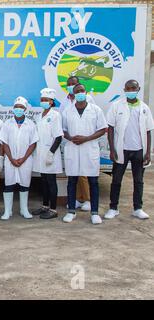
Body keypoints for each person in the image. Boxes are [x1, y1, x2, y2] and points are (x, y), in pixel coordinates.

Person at [105, 80, 154, 220]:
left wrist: (147, 152)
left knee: (138, 180)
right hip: (122, 150)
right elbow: (111, 128)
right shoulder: (117, 106)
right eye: (128, 88)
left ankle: (138, 208)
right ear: (124, 89)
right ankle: (113, 208)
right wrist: (112, 149)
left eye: (133, 88)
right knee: (116, 180)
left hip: (139, 150)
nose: (131, 90)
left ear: (138, 89)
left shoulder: (144, 107)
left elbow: (149, 131)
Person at [62, 84, 107, 224]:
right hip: (73, 148)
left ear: (86, 92)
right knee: (72, 181)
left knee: (93, 181)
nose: (79, 93)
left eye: (81, 91)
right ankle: (71, 212)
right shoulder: (67, 111)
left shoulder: (95, 110)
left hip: (89, 149)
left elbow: (103, 129)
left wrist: (86, 138)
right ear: (73, 94)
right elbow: (63, 130)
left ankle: (94, 213)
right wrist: (71, 138)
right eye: (77, 92)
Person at [59, 76, 96, 212]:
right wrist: (69, 137)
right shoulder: (64, 101)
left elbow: (92, 120)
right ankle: (75, 199)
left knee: (84, 173)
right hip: (70, 141)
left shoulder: (88, 99)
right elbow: (62, 122)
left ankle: (87, 199)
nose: (71, 86)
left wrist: (84, 138)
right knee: (72, 173)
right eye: (69, 84)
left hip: (85, 141)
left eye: (73, 84)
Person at [0, 97, 38, 220]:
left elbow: (33, 143)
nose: (18, 109)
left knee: (24, 184)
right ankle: (7, 211)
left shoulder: (30, 124)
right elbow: (4, 142)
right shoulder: (7, 123)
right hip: (11, 160)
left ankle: (24, 209)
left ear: (25, 109)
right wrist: (11, 158)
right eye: (16, 107)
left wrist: (23, 158)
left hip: (25, 160)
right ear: (13, 109)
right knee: (9, 184)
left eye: (21, 107)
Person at [32, 88, 63, 219]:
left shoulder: (55, 115)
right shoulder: (39, 116)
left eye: (46, 100)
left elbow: (58, 137)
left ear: (51, 102)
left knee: (51, 182)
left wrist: (51, 153)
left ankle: (54, 209)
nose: (43, 101)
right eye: (42, 99)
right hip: (40, 153)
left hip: (50, 154)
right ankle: (45, 206)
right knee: (43, 181)